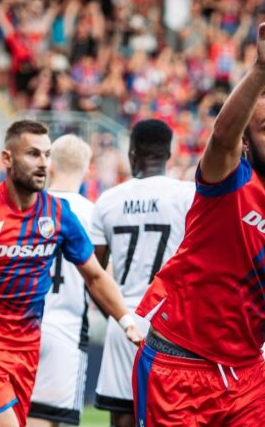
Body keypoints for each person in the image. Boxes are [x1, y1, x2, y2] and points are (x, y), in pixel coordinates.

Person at [133, 3, 265, 426]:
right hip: (176, 365)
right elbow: (221, 136)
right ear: (248, 145)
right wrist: (262, 68)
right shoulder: (228, 180)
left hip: (247, 376)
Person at [0, 120, 143, 427]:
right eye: (33, 154)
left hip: (27, 346)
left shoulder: (59, 215)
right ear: (7, 159)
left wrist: (126, 321)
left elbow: (95, 276)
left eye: (46, 155)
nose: (43, 163)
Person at [90, 119, 195, 427]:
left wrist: (115, 313)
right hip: (174, 323)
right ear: (169, 155)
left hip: (124, 318)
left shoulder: (108, 200)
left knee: (122, 418)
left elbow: (94, 274)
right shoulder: (189, 196)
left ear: (132, 154)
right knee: (175, 416)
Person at [26, 134, 95, 427]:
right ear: (86, 168)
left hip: (23, 325)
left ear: (50, 164)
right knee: (52, 419)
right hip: (66, 327)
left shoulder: (27, 207)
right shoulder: (93, 213)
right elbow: (100, 274)